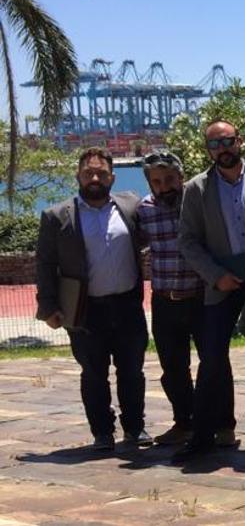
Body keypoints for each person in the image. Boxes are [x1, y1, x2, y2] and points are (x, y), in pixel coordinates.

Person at [174, 120, 245, 461]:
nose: (222, 148)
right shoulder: (196, 188)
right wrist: (214, 275)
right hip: (223, 281)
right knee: (212, 359)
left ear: (240, 141)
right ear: (208, 149)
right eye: (214, 144)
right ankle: (204, 434)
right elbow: (187, 241)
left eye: (228, 141)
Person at [35, 148, 149, 450]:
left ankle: (135, 429)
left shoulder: (131, 206)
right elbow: (45, 263)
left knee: (133, 373)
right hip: (86, 310)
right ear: (78, 176)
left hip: (128, 306)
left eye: (101, 173)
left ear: (112, 177)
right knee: (94, 374)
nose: (94, 178)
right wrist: (48, 307)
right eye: (88, 173)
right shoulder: (57, 216)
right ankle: (102, 432)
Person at [134, 151, 204, 447]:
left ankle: (219, 423)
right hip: (164, 300)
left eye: (169, 179)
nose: (164, 187)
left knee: (213, 363)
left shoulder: (198, 203)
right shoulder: (144, 211)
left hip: (200, 299)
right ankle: (184, 422)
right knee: (173, 369)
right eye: (157, 181)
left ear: (181, 176)